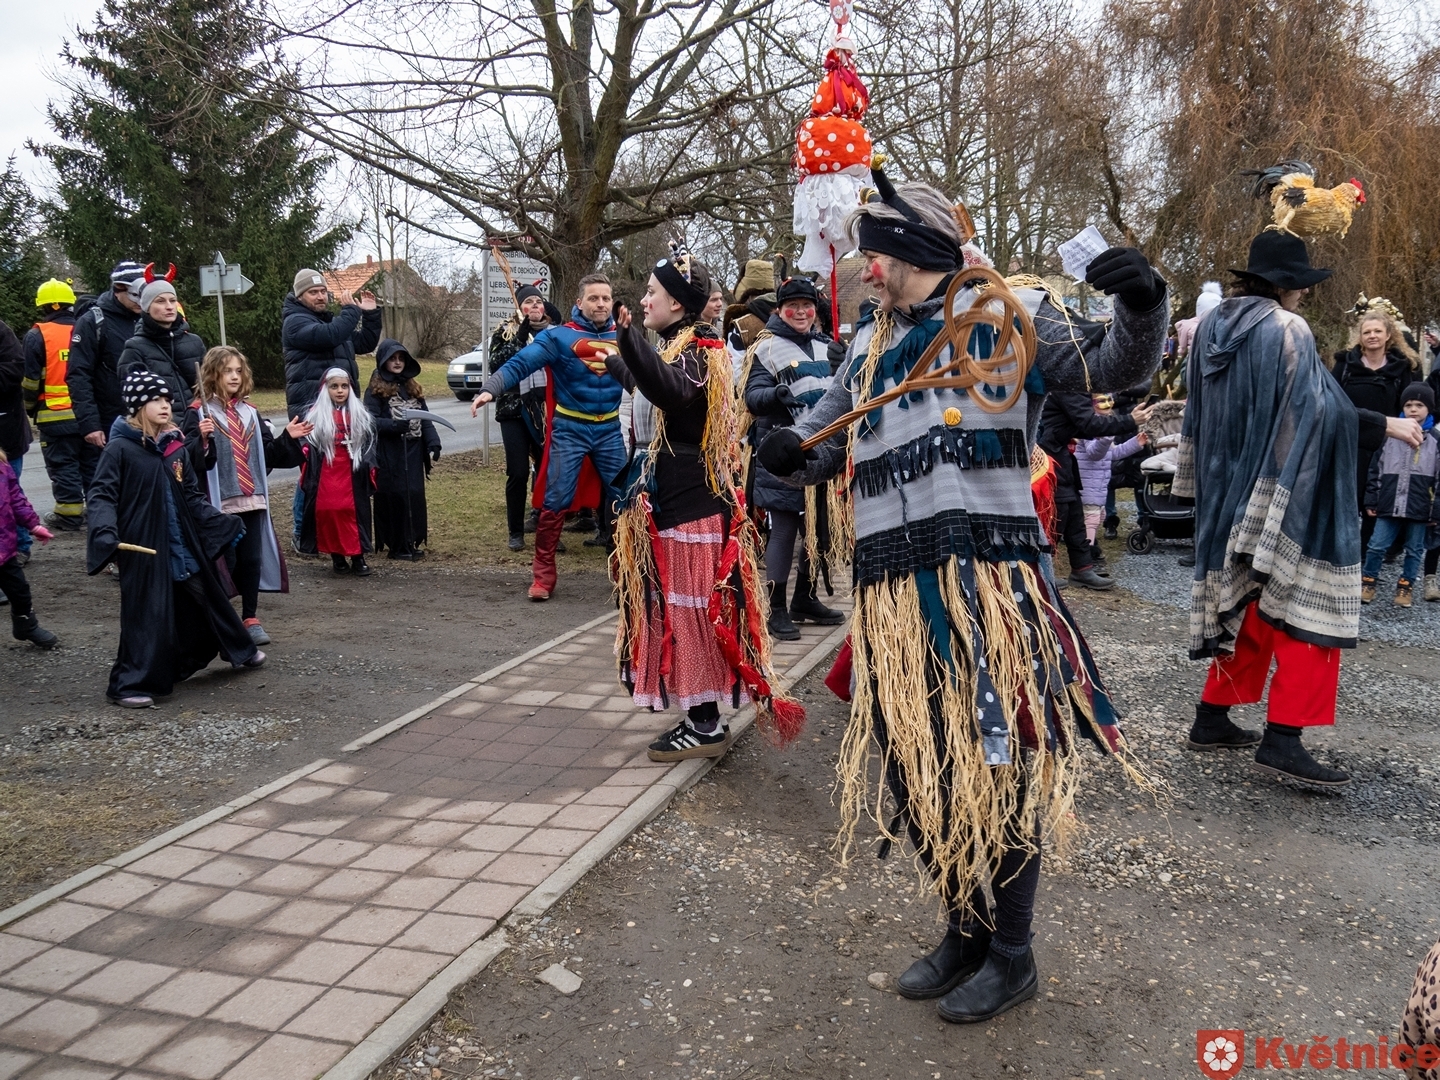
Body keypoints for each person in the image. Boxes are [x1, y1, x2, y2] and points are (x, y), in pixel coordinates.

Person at [758, 174, 1167, 1024]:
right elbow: (827, 434)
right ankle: (964, 929)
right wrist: (790, 447)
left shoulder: (1009, 314)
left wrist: (1143, 301)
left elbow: (1120, 365)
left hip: (991, 589)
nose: (865, 269)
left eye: (874, 252)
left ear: (909, 250)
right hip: (892, 598)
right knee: (918, 768)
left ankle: (1012, 954)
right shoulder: (870, 342)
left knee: (998, 763)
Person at [1176, 230, 1364, 786]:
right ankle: (1284, 738)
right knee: (1303, 603)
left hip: (1223, 490)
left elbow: (1196, 410)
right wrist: (1380, 426)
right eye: (1300, 284)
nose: (1304, 293)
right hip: (1280, 486)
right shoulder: (1287, 328)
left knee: (1250, 601)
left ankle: (1212, 717)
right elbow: (1313, 416)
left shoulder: (1210, 327)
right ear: (1284, 285)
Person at [609, 245, 803, 762]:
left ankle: (705, 725)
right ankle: (702, 716)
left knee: (692, 613)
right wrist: (618, 363)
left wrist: (628, 342)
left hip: (691, 506)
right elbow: (657, 387)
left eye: (651, 292)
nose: (644, 300)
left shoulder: (701, 350)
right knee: (683, 610)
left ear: (676, 303)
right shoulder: (682, 347)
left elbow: (671, 391)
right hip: (675, 502)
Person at [87, 370, 265, 708]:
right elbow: (101, 495)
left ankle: (238, 649)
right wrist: (105, 532)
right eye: (156, 400)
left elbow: (191, 496)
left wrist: (219, 522)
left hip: (181, 544)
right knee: (146, 615)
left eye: (168, 399)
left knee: (208, 596)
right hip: (144, 548)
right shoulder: (120, 449)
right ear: (137, 406)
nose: (165, 405)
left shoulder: (175, 448)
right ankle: (127, 685)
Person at [472, 274, 625, 601]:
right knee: (555, 499)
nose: (600, 304)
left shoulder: (625, 336)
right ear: (579, 302)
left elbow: (653, 371)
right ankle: (543, 573)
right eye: (594, 298)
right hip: (570, 429)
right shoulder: (557, 337)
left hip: (610, 430)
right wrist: (490, 389)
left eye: (606, 298)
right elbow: (519, 364)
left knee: (622, 500)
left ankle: (623, 568)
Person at [739, 274, 845, 641]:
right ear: (780, 310)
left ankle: (804, 597)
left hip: (825, 452)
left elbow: (844, 392)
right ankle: (776, 606)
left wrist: (844, 364)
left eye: (807, 306)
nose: (800, 312)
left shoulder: (828, 345)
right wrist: (775, 395)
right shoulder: (766, 348)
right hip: (783, 452)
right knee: (784, 528)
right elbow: (752, 397)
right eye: (792, 306)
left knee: (821, 531)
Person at [184, 347, 309, 645]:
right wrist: (201, 439)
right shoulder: (198, 412)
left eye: (238, 371)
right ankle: (220, 619)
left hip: (251, 498)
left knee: (251, 559)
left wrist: (287, 438)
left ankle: (250, 617)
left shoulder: (250, 412)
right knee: (224, 562)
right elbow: (187, 460)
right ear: (212, 374)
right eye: (227, 371)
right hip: (218, 502)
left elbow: (268, 455)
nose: (234, 377)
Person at [281, 269, 383, 547]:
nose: (320, 296)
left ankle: (339, 532)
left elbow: (363, 342)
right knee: (312, 471)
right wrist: (351, 311)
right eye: (313, 292)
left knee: (338, 470)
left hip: (342, 409)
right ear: (300, 296)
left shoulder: (328, 323)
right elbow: (331, 335)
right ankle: (302, 531)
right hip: (310, 408)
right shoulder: (295, 322)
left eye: (323, 291)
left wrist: (370, 314)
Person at [1039, 387, 1143, 588]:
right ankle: (1042, 570)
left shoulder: (1071, 384)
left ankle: (1082, 568)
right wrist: (1129, 421)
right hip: (1050, 456)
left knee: (1075, 515)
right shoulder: (1068, 386)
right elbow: (1089, 424)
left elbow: (1086, 428)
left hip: (1060, 456)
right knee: (1058, 515)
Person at [1335, 307, 1418, 553]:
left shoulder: (1401, 368)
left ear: (1388, 335)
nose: (1372, 335)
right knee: (1347, 498)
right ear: (1360, 336)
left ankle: (1369, 553)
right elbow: (1331, 400)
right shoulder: (1345, 364)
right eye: (1367, 331)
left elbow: (1407, 406)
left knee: (1378, 499)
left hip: (1386, 442)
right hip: (1350, 442)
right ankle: (1341, 551)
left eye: (1377, 331)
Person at [488, 286, 560, 550]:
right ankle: (515, 531)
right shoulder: (505, 331)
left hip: (545, 410)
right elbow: (496, 365)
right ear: (519, 307)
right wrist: (519, 338)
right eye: (528, 301)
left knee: (548, 471)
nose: (535, 305)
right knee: (518, 472)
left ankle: (548, 529)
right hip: (514, 409)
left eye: (538, 301)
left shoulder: (553, 334)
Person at [1360, 384, 1439, 609]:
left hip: (1420, 506)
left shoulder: (1435, 440)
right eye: (1408, 404)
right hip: (1390, 502)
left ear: (1429, 408)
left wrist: (1436, 509)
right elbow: (1375, 470)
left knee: (1414, 550)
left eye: (1419, 405)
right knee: (1376, 546)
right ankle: (1368, 581)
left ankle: (1406, 586)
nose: (1413, 409)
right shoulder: (1389, 435)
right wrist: (1372, 498)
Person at [67, 260, 146, 474]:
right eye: (136, 294)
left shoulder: (149, 320)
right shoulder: (93, 322)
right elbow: (78, 374)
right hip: (109, 422)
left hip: (150, 421)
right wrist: (90, 424)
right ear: (119, 289)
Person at [365, 340, 441, 560]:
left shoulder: (411, 387)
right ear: (384, 361)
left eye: (401, 358)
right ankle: (396, 545)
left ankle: (411, 541)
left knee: (414, 494)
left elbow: (425, 417)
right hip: (390, 452)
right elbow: (369, 421)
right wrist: (393, 425)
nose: (397, 362)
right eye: (392, 358)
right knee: (395, 495)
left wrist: (433, 441)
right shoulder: (375, 390)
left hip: (413, 450)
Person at [298, 368, 377, 576]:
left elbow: (369, 445)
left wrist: (369, 465)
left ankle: (358, 556)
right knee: (328, 511)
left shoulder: (360, 416)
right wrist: (305, 450)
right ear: (326, 389)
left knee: (352, 513)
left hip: (352, 471)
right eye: (334, 386)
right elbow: (306, 441)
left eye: (344, 386)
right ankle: (337, 555)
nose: (340, 391)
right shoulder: (316, 416)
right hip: (327, 471)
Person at [22, 280, 86, 532]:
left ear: (50, 306)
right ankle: (99, 513)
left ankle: (68, 516)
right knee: (92, 466)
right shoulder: (87, 329)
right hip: (88, 414)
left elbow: (30, 382)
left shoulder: (37, 335)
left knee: (63, 465)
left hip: (54, 416)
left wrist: (29, 408)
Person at [116, 266, 205, 408]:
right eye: (160, 301)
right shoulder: (135, 347)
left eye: (172, 300)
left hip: (196, 419)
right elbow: (132, 397)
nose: (169, 306)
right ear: (146, 307)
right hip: (161, 421)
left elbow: (209, 386)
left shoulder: (194, 342)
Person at [1075, 413, 1148, 568]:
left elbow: (1113, 453)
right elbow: (1095, 453)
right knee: (1091, 519)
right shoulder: (1088, 430)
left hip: (1097, 486)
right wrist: (1106, 438)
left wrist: (1135, 443)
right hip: (1087, 485)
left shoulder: (1102, 433)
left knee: (1097, 517)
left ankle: (1089, 548)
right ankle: (1088, 557)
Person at [0, 447, 57, 646]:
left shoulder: (2, 466)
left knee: (20, 590)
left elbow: (16, 498)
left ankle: (26, 625)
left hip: (3, 549)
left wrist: (33, 525)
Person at [0, 320, 32, 563]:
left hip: (6, 431)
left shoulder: (2, 333)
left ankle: (19, 546)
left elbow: (14, 370)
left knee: (8, 491)